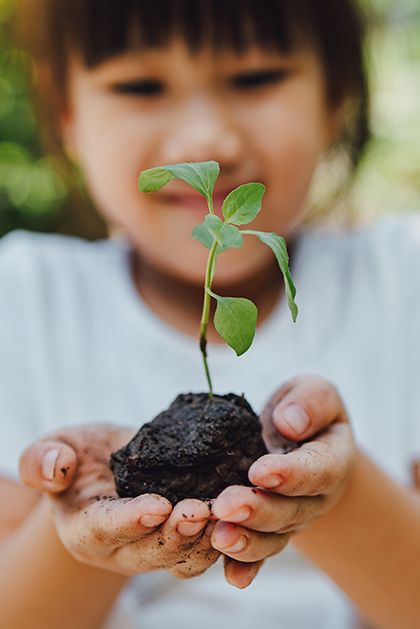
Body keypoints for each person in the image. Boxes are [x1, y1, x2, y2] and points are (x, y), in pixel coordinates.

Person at [1, 1, 419, 627]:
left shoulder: (402, 279)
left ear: (336, 92)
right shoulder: (27, 299)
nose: (206, 141)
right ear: (66, 114)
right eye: (140, 85)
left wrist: (335, 495)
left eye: (255, 78)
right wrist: (86, 538)